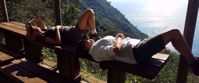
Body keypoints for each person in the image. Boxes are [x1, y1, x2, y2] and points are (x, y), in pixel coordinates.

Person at [81, 29, 199, 75]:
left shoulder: (95, 50)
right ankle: (194, 63)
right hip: (137, 52)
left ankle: (192, 61)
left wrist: (119, 38)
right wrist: (119, 38)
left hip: (137, 48)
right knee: (175, 33)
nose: (89, 38)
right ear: (86, 44)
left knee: (173, 36)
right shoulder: (95, 50)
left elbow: (113, 49)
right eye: (87, 39)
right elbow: (115, 50)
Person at [26, 9, 100, 48]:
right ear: (34, 33)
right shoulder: (44, 37)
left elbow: (38, 19)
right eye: (34, 27)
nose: (36, 26)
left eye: (35, 26)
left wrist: (29, 23)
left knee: (91, 15)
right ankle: (94, 35)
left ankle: (94, 34)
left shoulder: (44, 30)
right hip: (73, 34)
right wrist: (57, 29)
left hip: (73, 31)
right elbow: (58, 42)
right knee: (89, 12)